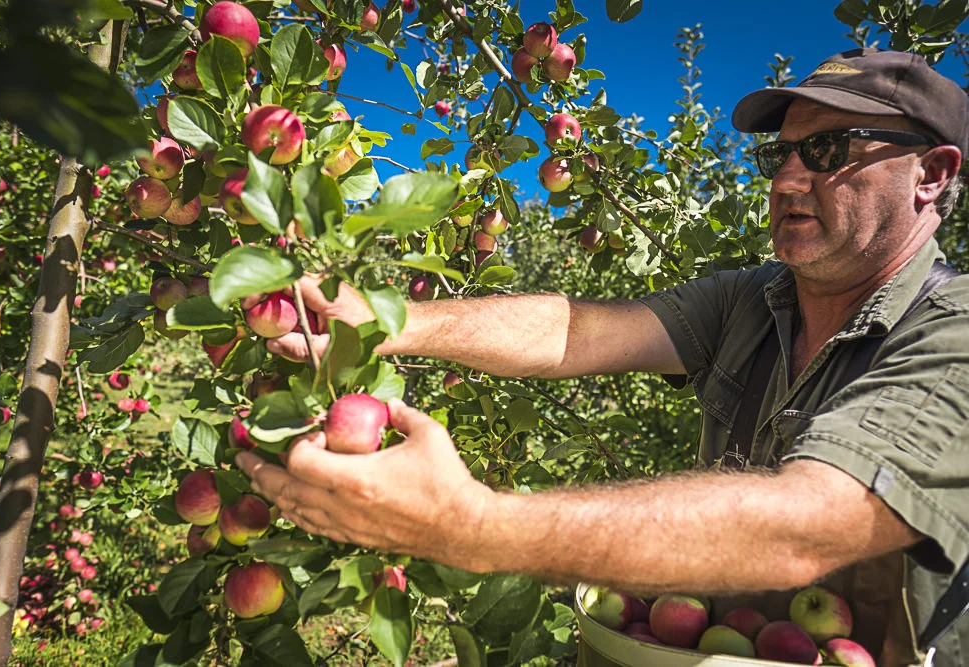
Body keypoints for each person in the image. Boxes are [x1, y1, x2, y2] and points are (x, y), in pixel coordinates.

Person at [237, 48, 969, 666]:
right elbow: (578, 330)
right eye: (781, 154)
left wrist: (473, 527)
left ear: (932, 174)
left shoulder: (956, 332)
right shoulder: (755, 300)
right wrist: (383, 321)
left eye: (829, 151)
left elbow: (811, 520)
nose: (784, 180)